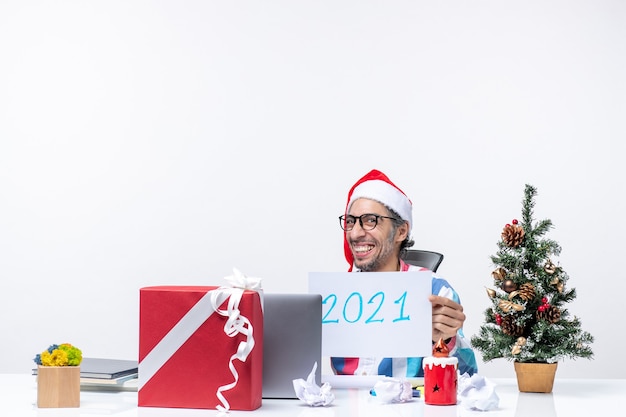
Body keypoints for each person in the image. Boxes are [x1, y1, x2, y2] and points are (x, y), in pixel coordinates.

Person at [331, 169, 478, 377]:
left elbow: (468, 375)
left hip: (410, 407)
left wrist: (446, 339)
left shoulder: (436, 290)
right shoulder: (335, 296)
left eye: (370, 220)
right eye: (351, 221)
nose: (355, 233)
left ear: (401, 231)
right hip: (345, 406)